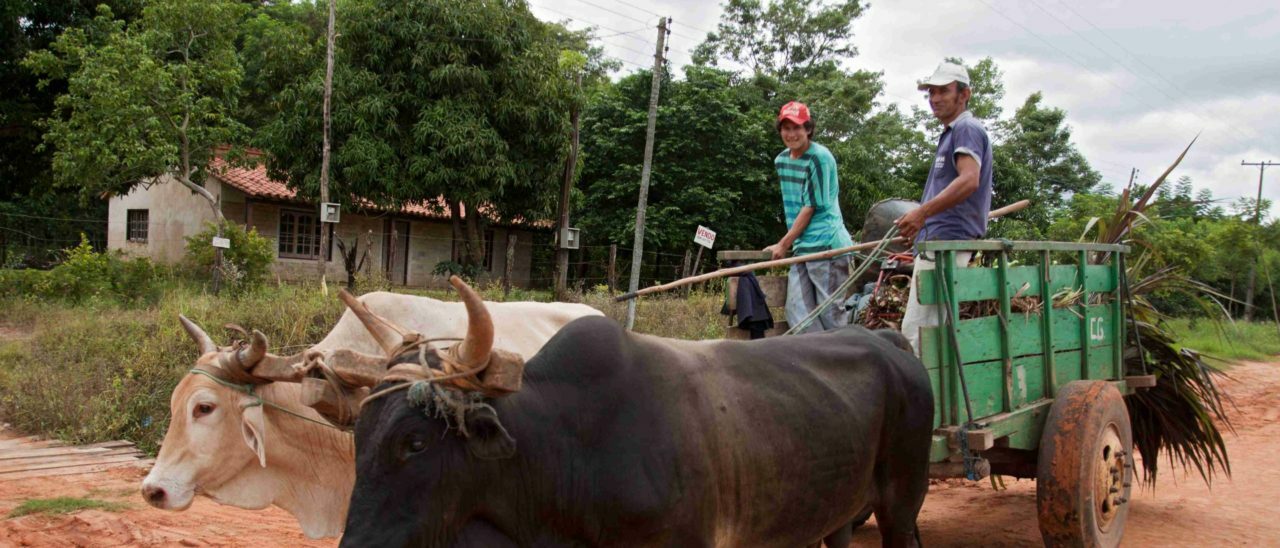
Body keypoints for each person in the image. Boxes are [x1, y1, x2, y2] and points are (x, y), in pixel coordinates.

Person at [896, 61, 995, 355]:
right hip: (937, 244)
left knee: (916, 336)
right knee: (928, 332)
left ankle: (925, 400)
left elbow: (969, 181)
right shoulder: (952, 133)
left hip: (946, 248)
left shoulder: (966, 128)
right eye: (931, 92)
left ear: (964, 94)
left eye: (943, 91)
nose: (935, 99)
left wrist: (921, 213)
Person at [764, 101, 856, 333]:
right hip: (802, 246)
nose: (791, 134)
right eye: (786, 128)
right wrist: (790, 242)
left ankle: (844, 364)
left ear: (808, 129)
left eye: (797, 128)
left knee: (829, 312)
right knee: (796, 311)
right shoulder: (781, 161)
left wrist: (783, 243)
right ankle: (820, 360)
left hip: (827, 245)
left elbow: (810, 206)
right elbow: (793, 205)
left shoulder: (819, 158)